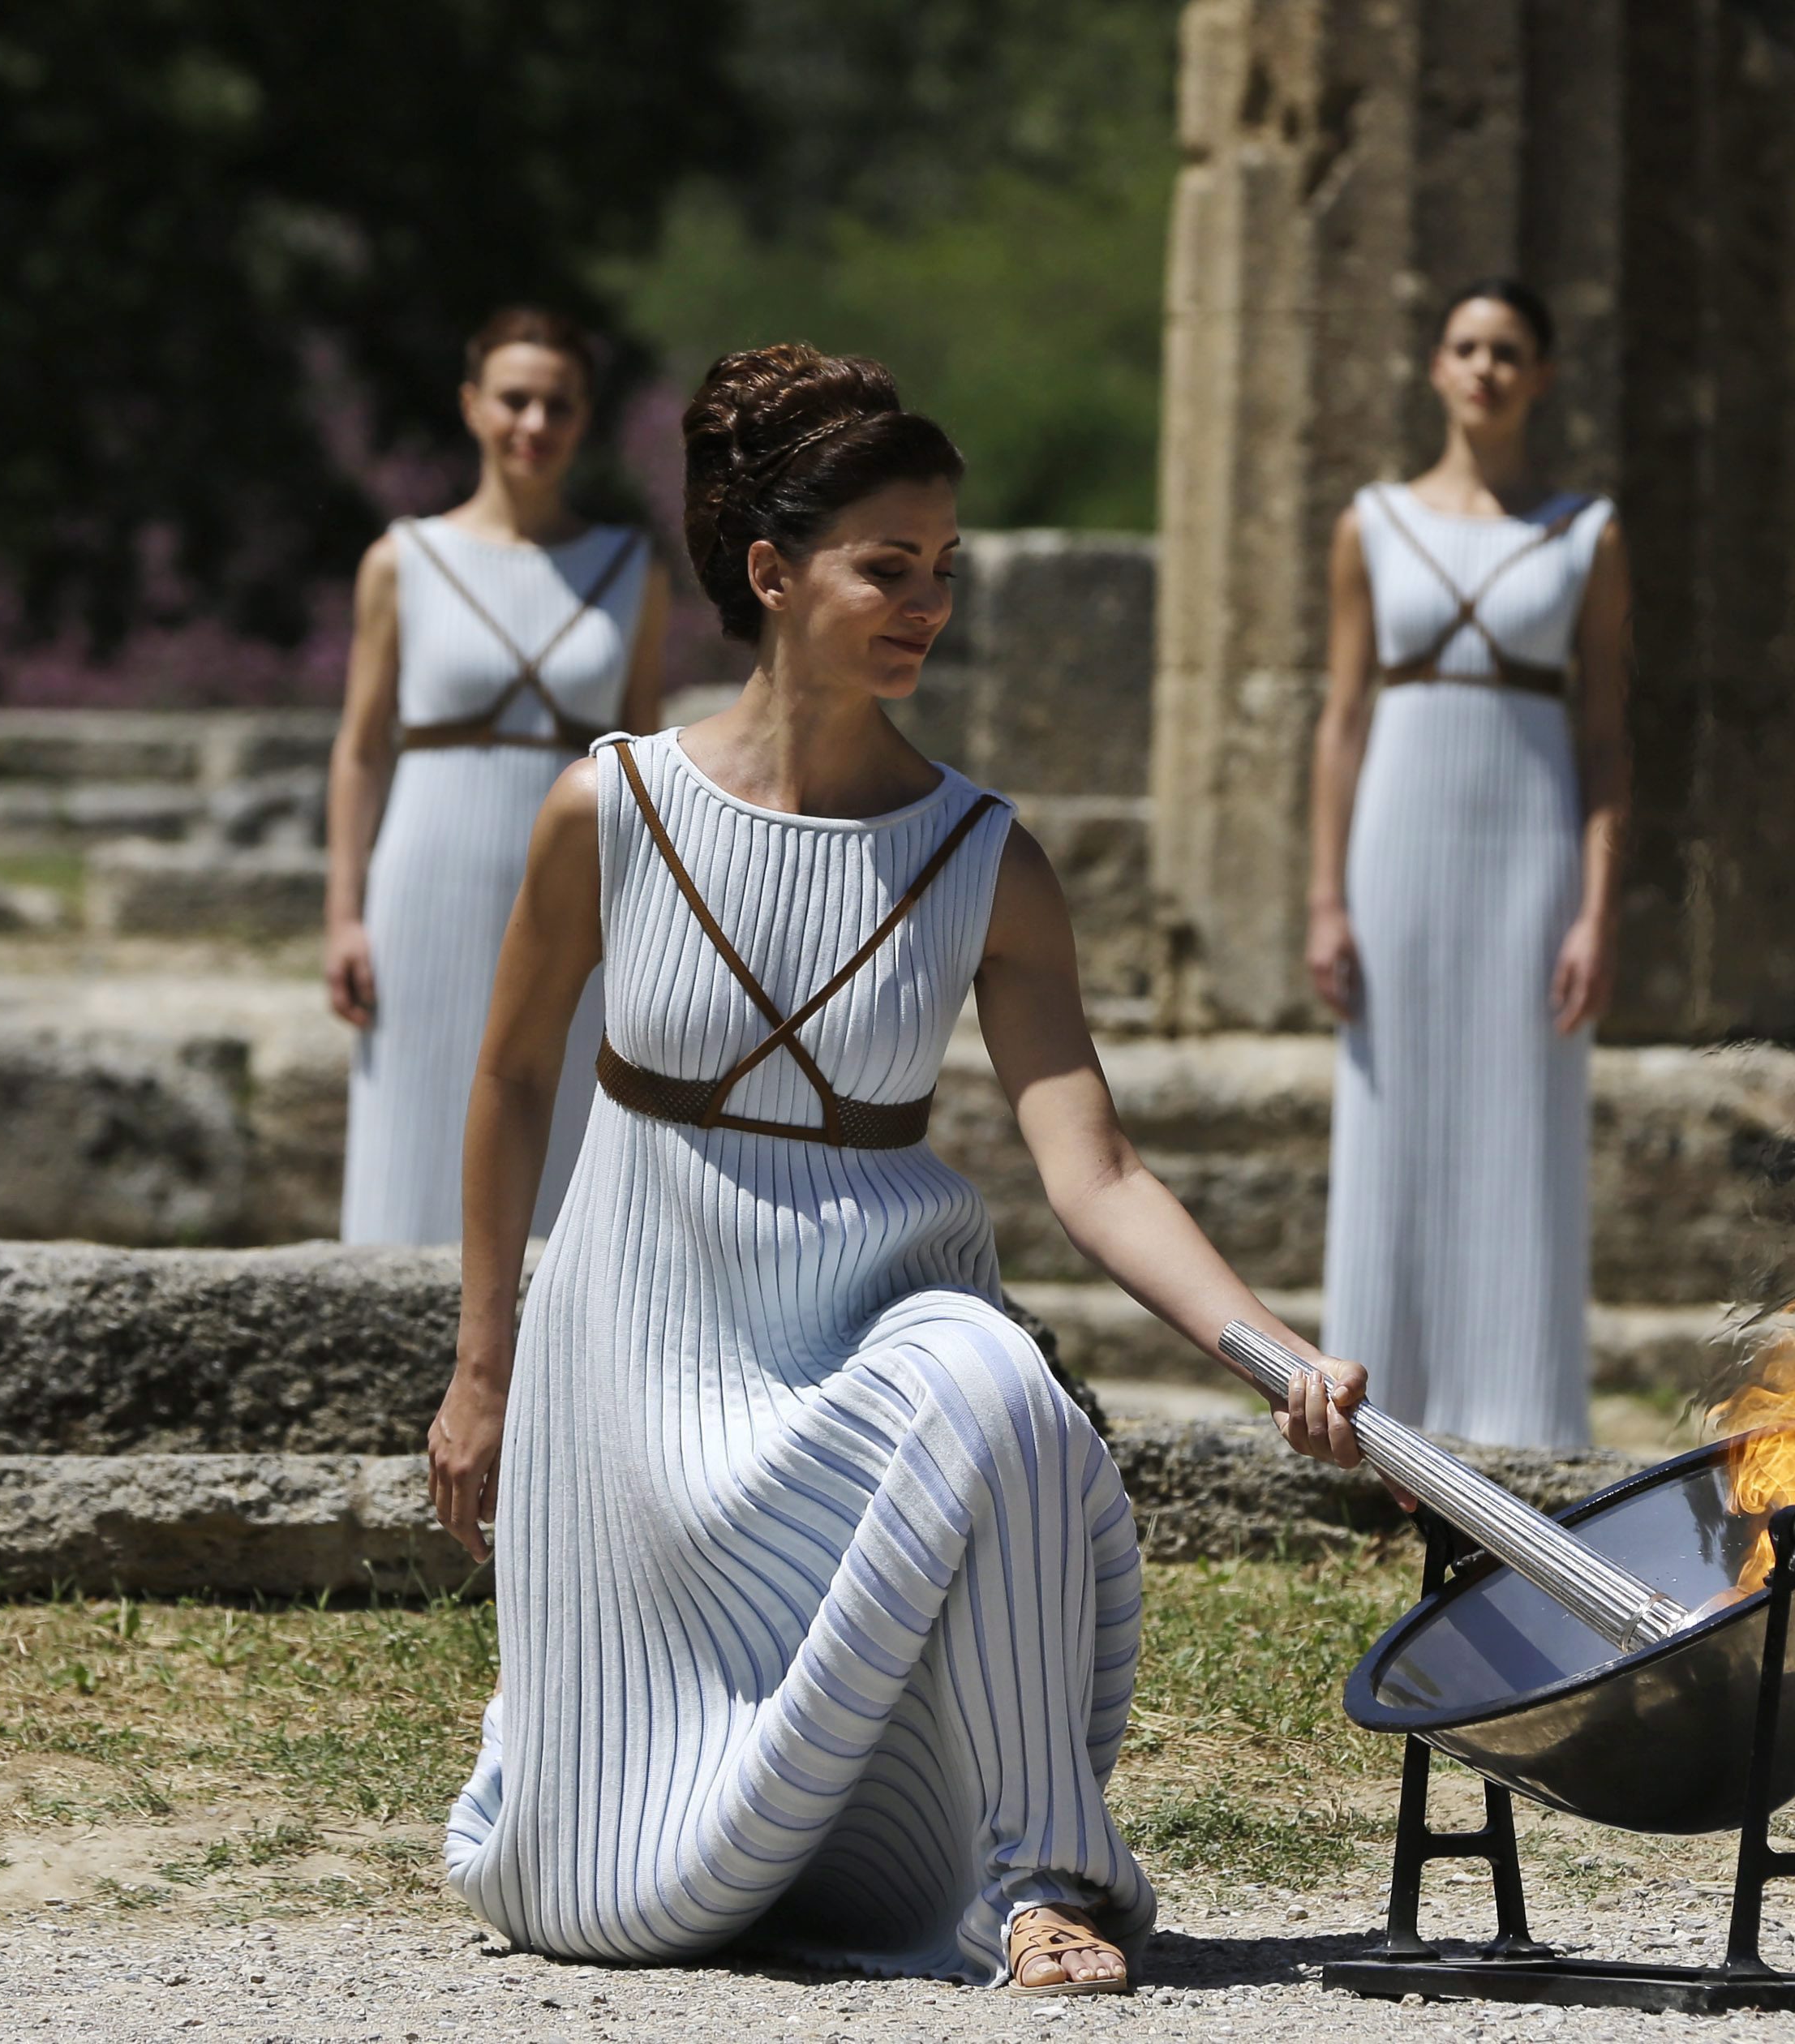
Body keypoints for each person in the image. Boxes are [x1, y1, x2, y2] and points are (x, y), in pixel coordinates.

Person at [426, 344, 1372, 1992]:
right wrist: (481, 1368)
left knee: (1000, 1389)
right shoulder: (612, 807)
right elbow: (511, 1083)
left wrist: (1271, 1354)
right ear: (776, 575)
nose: (928, 602)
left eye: (946, 568)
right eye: (889, 568)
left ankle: (1038, 1876)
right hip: (639, 1347)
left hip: (871, 1322)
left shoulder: (985, 856)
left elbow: (1097, 1170)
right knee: (612, 1906)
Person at [1303, 278, 1632, 1450]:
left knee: (1523, 1117)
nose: (1486, 368)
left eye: (1508, 352)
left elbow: (1604, 735)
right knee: (1389, 1111)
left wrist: (1596, 910)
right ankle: (1378, 1415)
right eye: (1467, 348)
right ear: (1436, 369)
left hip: (1530, 844)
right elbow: (1343, 719)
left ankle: (1522, 1421)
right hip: (1399, 839)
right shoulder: (1373, 522)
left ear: (1538, 376)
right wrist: (1325, 897)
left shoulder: (1586, 533)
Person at [326, 307, 666, 1243]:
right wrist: (344, 914)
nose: (534, 424)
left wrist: (650, 918)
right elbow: (361, 747)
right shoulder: (403, 561)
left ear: (584, 417)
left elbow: (645, 753)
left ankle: (538, 1376)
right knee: (412, 1127)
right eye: (514, 400)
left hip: (574, 889)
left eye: (558, 405)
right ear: (473, 407)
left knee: (560, 1135)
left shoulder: (630, 569)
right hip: (423, 883)